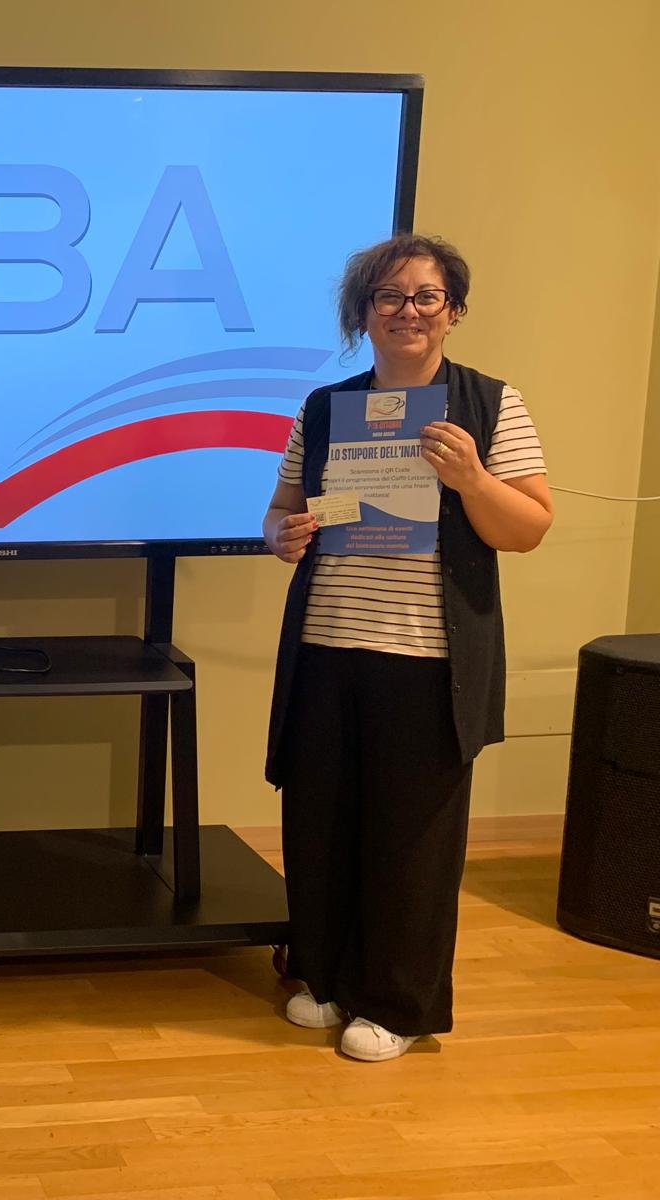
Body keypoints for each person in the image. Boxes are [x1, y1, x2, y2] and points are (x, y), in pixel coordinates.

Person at [261, 234, 551, 1062]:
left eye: (426, 296)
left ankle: (397, 1004)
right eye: (388, 296)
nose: (407, 311)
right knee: (319, 822)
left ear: (453, 311)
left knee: (412, 842)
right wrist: (284, 535)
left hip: (429, 661)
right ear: (364, 314)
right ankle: (323, 976)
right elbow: (280, 512)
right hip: (327, 649)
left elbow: (528, 526)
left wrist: (472, 480)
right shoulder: (326, 410)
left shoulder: (490, 404)